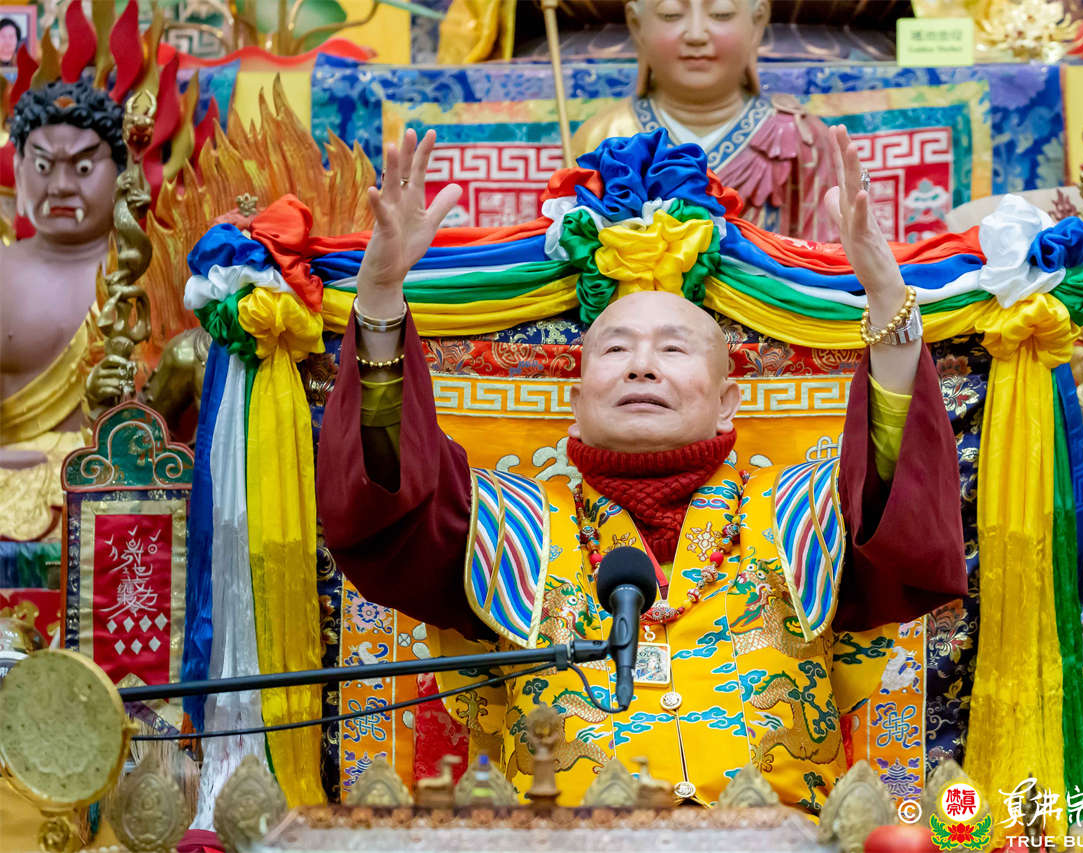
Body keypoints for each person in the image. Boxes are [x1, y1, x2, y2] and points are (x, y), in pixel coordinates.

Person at [317, 125, 966, 810]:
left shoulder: (804, 511)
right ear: (575, 405)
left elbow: (896, 495)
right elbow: (389, 491)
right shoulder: (504, 524)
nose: (642, 366)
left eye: (674, 349)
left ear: (727, 404)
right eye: (615, 349)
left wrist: (889, 303)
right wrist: (380, 298)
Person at [570, 0, 838, 241]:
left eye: (721, 13)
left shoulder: (801, 139)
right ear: (637, 25)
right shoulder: (604, 136)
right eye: (671, 14)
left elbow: (827, 260)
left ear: (757, 22)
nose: (696, 35)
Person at [0, 79, 125, 541]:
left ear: (122, 173)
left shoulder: (148, 274)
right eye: (42, 166)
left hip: (120, 489)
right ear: (18, 168)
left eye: (84, 167)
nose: (61, 186)